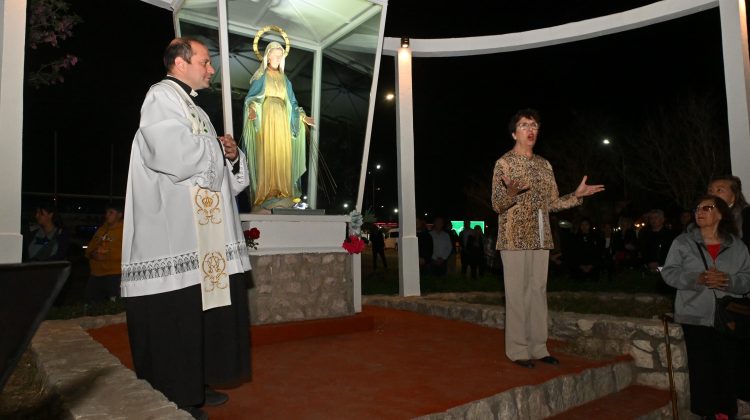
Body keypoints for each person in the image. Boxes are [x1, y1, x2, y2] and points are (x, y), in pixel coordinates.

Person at [121, 37, 252, 420]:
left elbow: (222, 175)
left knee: (201, 314)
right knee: (176, 318)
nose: (210, 69)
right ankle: (176, 395)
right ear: (180, 62)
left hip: (202, 238)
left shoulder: (194, 107)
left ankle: (198, 382)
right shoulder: (160, 97)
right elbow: (171, 154)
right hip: (172, 235)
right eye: (205, 61)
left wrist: (231, 154)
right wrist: (214, 146)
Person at [491, 108, 604, 368]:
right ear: (514, 133)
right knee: (517, 294)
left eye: (534, 125)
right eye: (524, 125)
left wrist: (576, 196)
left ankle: (539, 347)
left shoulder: (544, 165)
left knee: (538, 292)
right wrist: (510, 193)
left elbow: (551, 204)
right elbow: (497, 204)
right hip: (513, 238)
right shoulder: (504, 163)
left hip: (541, 236)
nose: (530, 129)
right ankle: (518, 350)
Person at [661, 195, 750, 419]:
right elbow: (669, 273)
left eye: (706, 208)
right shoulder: (683, 242)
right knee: (701, 369)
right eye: (697, 208)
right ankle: (706, 413)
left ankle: (726, 412)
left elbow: (747, 278)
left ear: (720, 214)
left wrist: (727, 281)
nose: (699, 212)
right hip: (694, 315)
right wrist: (696, 279)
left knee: (727, 367)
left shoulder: (737, 245)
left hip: (729, 316)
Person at [241, 41, 314, 212]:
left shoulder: (285, 79)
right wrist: (252, 110)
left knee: (283, 155)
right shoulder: (261, 76)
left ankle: (284, 192)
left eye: (280, 56)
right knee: (268, 153)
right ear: (268, 56)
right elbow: (251, 98)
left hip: (283, 119)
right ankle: (267, 194)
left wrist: (302, 117)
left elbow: (293, 103)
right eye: (275, 55)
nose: (278, 58)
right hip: (267, 118)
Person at [84, 203, 124, 304]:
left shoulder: (125, 231)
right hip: (96, 275)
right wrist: (93, 254)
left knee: (114, 306)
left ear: (120, 215)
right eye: (106, 212)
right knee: (91, 305)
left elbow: (128, 254)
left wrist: (106, 257)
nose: (107, 215)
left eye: (111, 212)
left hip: (115, 275)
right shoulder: (101, 230)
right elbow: (89, 249)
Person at [708, 175, 750, 249]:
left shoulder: (747, 215)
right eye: (710, 191)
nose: (713, 195)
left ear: (734, 196)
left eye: (719, 190)